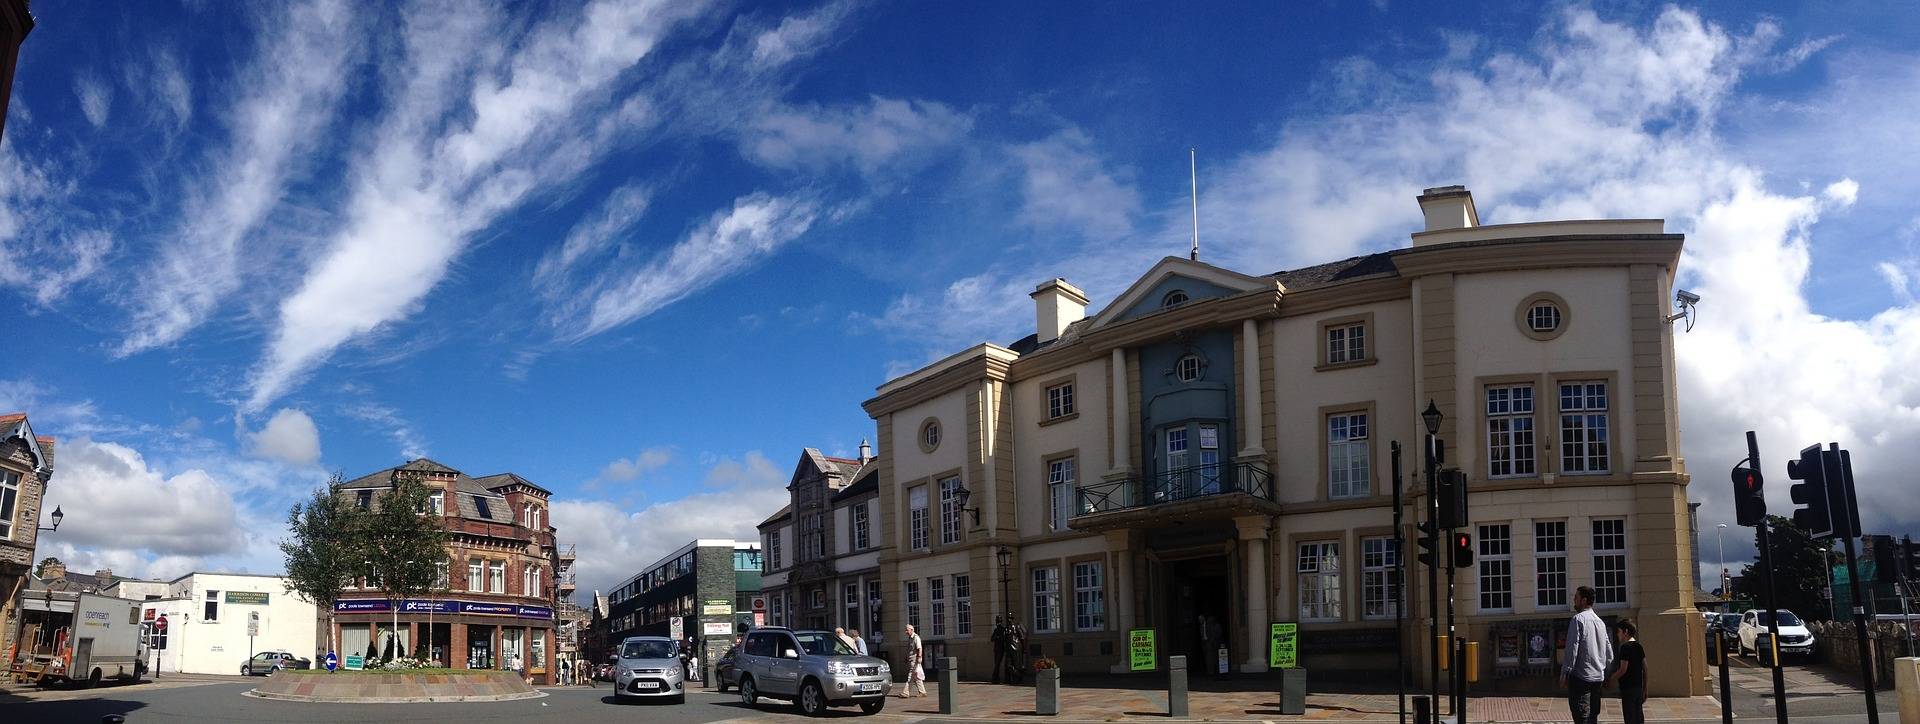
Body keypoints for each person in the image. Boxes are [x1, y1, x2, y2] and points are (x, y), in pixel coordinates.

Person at [1561, 585, 1613, 724]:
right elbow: (1609, 653)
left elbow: (1572, 649)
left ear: (1583, 600)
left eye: (1576, 597)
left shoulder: (1578, 620)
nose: (1574, 600)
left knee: (1582, 717)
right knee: (1593, 717)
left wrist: (1566, 673)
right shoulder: (1600, 623)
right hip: (1598, 678)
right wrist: (1607, 674)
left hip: (1581, 678)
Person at [1608, 618, 1647, 724]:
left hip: (1628, 688)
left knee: (1630, 717)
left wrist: (1612, 678)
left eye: (1619, 631)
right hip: (1638, 687)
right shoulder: (1639, 646)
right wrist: (1645, 688)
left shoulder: (1625, 648)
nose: (1617, 634)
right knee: (1638, 717)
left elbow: (1623, 669)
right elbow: (1645, 668)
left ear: (1625, 632)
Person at [897, 624, 926, 697]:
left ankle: (906, 692)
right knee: (916, 677)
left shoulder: (916, 638)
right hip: (911, 659)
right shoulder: (910, 638)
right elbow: (909, 650)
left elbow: (919, 648)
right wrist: (906, 658)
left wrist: (919, 657)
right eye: (906, 630)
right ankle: (922, 692)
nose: (906, 632)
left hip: (915, 660)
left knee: (910, 676)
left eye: (907, 630)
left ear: (912, 630)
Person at [990, 616, 1009, 684]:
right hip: (996, 649)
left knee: (997, 663)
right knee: (996, 663)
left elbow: (1003, 638)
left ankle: (994, 678)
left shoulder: (1003, 629)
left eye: (997, 621)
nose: (997, 622)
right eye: (996, 621)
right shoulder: (996, 630)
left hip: (1001, 648)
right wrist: (996, 637)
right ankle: (996, 678)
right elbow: (992, 639)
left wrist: (997, 637)